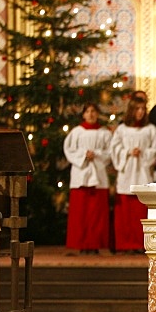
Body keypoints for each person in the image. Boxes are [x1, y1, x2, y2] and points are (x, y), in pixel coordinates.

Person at [110, 96, 156, 252]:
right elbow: (114, 149)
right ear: (131, 110)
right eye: (137, 109)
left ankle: (141, 243)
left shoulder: (150, 129)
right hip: (127, 172)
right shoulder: (122, 129)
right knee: (126, 213)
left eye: (143, 109)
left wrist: (144, 153)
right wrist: (127, 152)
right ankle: (125, 244)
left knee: (141, 212)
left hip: (143, 172)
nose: (141, 112)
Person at [63, 103, 112, 254]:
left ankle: (97, 244)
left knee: (97, 214)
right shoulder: (76, 132)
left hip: (98, 175)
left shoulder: (104, 133)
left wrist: (95, 154)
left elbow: (110, 152)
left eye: (94, 111)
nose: (91, 114)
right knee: (81, 214)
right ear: (83, 114)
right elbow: (69, 150)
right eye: (88, 111)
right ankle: (80, 244)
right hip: (81, 175)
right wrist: (84, 155)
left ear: (97, 114)